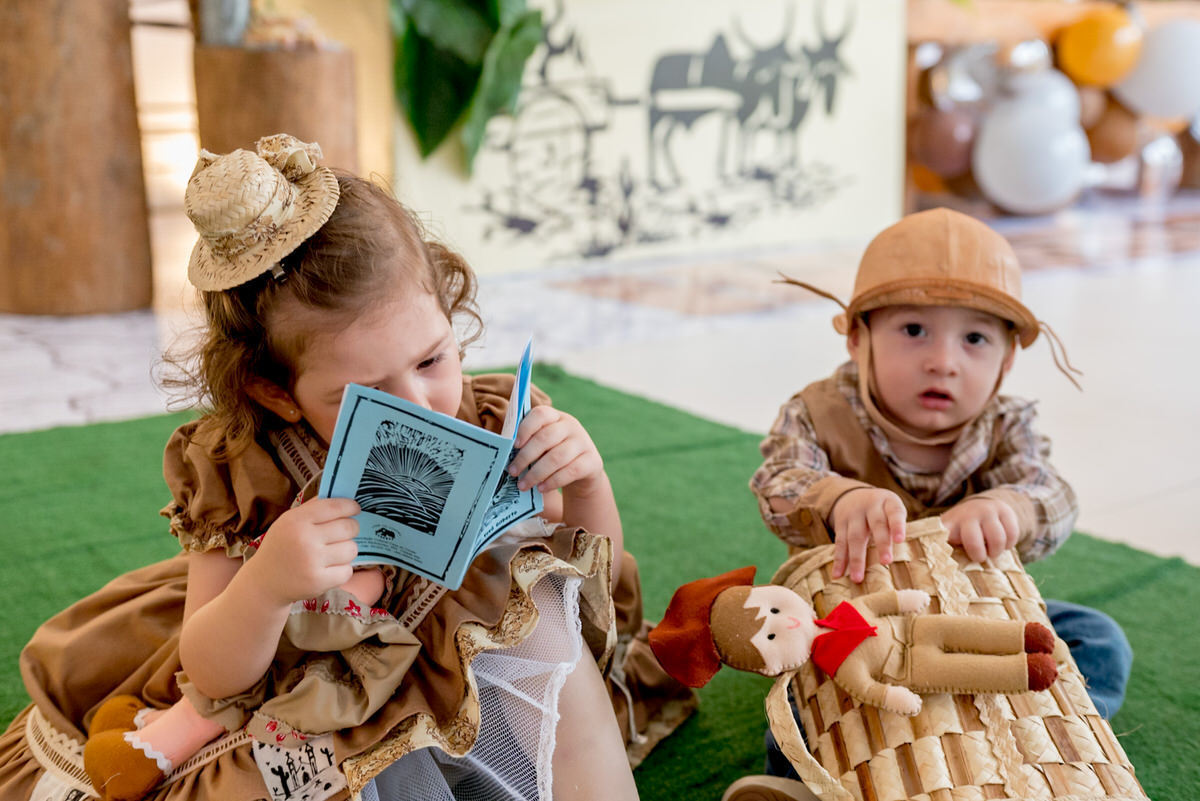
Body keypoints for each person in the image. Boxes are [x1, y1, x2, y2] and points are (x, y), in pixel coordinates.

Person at [0, 134, 689, 801]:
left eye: (432, 359)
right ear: (277, 393)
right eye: (367, 393)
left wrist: (588, 482)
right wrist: (266, 587)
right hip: (315, 678)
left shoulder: (491, 417)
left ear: (448, 313)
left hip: (469, 658)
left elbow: (590, 584)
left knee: (541, 621)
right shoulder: (245, 469)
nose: (419, 403)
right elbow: (210, 672)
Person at [735, 208, 1132, 800]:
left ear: (1006, 361)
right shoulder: (817, 412)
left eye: (974, 339)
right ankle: (814, 786)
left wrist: (1011, 506)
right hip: (855, 627)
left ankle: (1053, 740)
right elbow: (777, 481)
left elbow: (1052, 493)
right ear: (857, 337)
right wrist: (838, 496)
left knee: (1096, 638)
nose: (943, 360)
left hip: (979, 619)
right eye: (914, 330)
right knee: (805, 686)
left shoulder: (1006, 425)